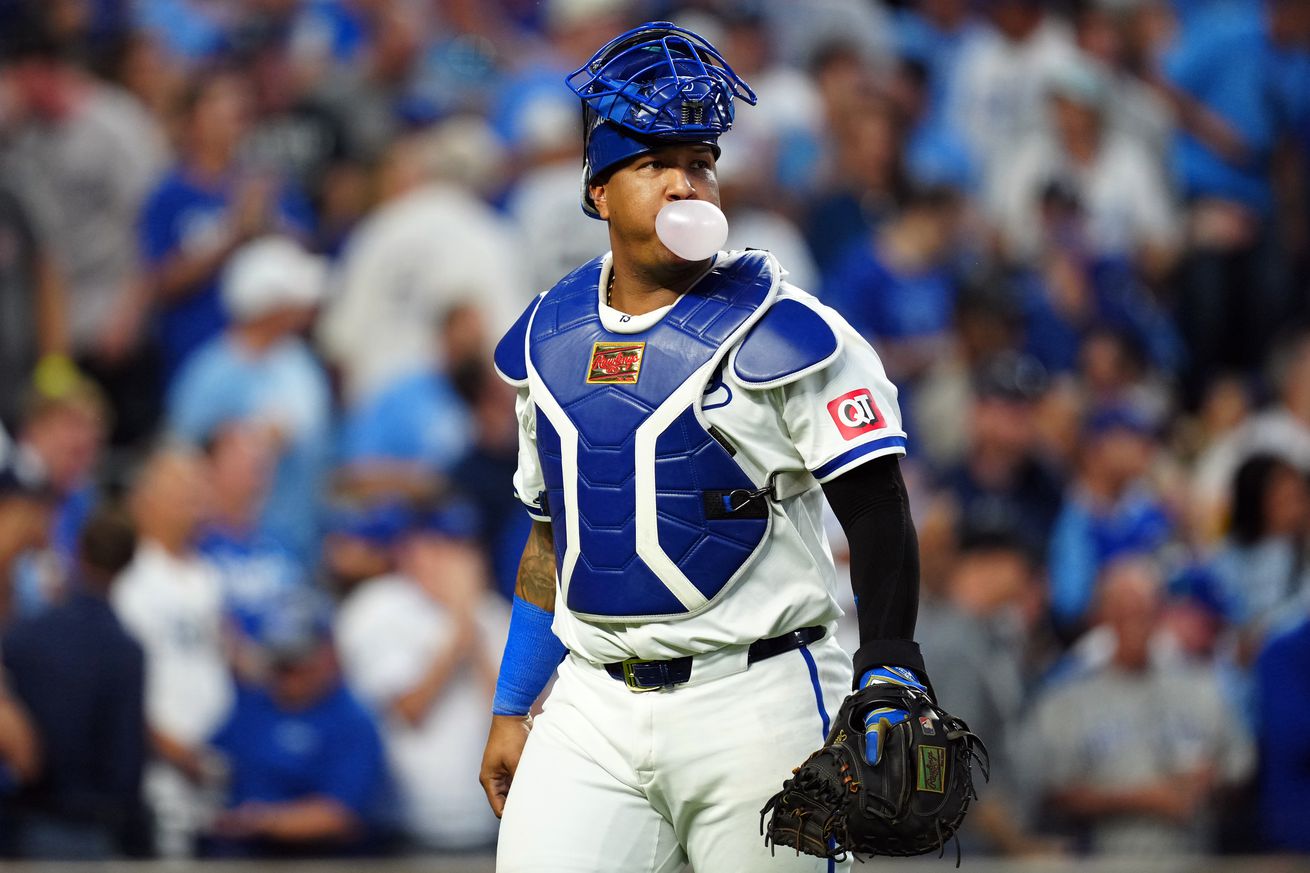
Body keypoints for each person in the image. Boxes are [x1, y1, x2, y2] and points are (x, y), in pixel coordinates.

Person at [480, 22, 931, 873]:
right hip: (593, 703)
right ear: (598, 189)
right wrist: (513, 701)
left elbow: (877, 508)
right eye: (656, 162)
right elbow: (553, 538)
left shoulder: (791, 331)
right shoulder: (548, 336)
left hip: (758, 696)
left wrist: (888, 664)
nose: (687, 184)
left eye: (701, 161)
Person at [1, 503, 149, 859]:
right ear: (129, 563)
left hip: (27, 823)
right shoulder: (126, 652)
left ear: (77, 551)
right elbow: (127, 763)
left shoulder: (25, 637)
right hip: (91, 829)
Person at [203, 589, 388, 859]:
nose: (287, 676)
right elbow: (211, 762)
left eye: (296, 664)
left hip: (323, 859)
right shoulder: (255, 703)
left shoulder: (353, 719)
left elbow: (340, 815)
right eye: (280, 664)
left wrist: (264, 821)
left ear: (327, 655)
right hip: (246, 855)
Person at [112, 449, 233, 857]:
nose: (194, 498)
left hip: (213, 770)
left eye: (198, 487)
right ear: (145, 498)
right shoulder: (130, 576)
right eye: (180, 488)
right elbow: (122, 687)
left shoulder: (207, 576)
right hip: (160, 774)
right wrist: (175, 751)